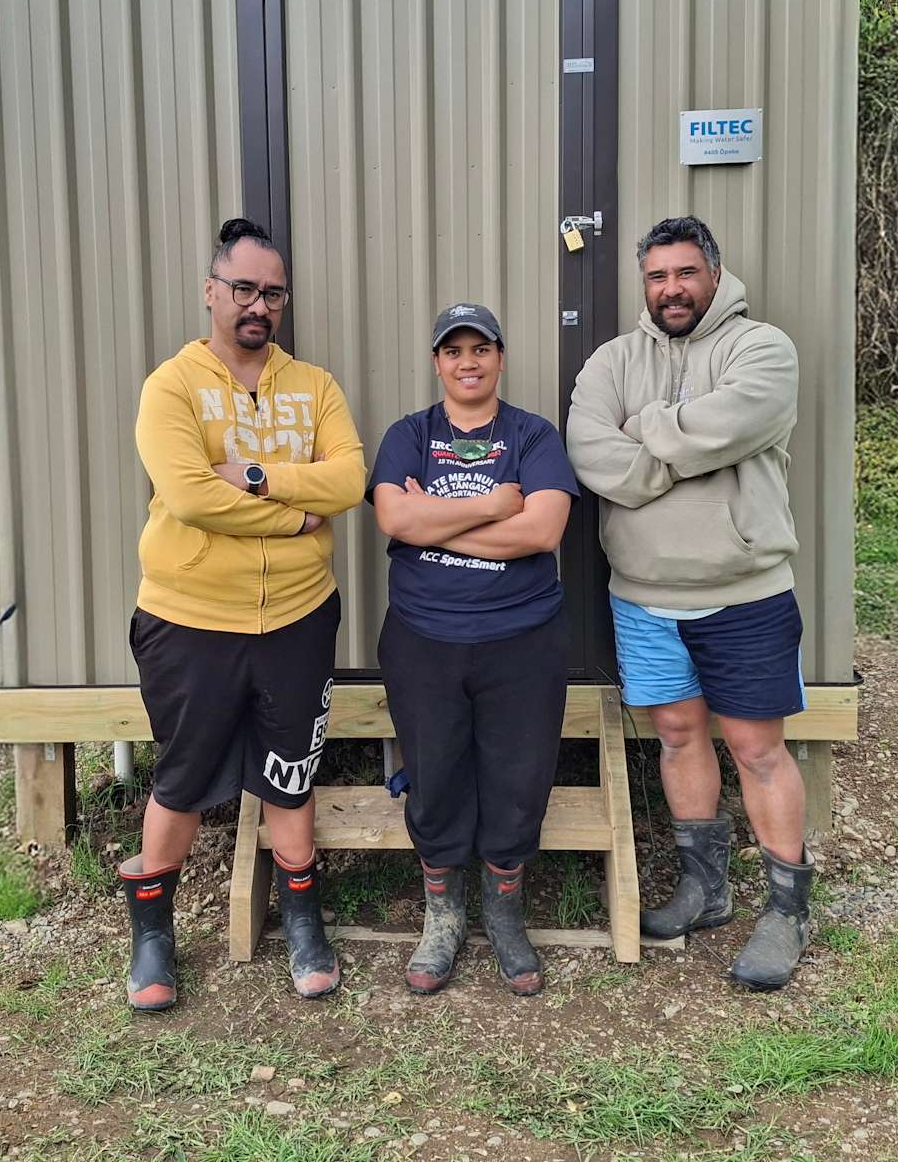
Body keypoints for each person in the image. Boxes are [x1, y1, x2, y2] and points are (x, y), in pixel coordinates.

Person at [119, 217, 367, 1011]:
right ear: (211, 292)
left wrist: (255, 475)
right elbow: (189, 495)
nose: (258, 305)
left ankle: (302, 920)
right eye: (244, 289)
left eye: (273, 292)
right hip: (190, 618)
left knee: (292, 774)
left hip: (298, 615)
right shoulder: (172, 386)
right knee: (184, 776)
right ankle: (152, 937)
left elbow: (350, 482)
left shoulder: (314, 386)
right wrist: (296, 514)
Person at [565, 216, 814, 991]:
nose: (671, 289)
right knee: (678, 737)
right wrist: (678, 455)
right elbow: (591, 452)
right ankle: (705, 890)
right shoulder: (612, 360)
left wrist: (649, 433)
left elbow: (735, 421)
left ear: (713, 273)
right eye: (656, 277)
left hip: (743, 592)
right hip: (644, 597)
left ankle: (785, 909)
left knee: (756, 748)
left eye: (684, 273)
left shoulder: (762, 349)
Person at [367, 304, 577, 997]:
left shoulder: (532, 435)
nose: (467, 361)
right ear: (437, 363)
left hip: (523, 641)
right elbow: (393, 518)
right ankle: (443, 915)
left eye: (479, 348)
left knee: (518, 780)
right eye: (452, 350)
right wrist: (491, 508)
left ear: (499, 357)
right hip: (424, 639)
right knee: (435, 778)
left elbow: (542, 533)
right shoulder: (409, 434)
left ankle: (506, 913)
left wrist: (432, 526)